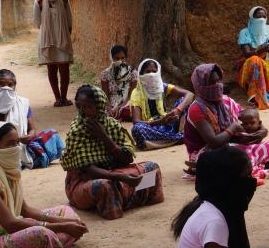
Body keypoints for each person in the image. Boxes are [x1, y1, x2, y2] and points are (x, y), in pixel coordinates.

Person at [0, 122, 87, 248]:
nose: (15, 149)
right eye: (9, 144)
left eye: (17, 143)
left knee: (66, 212)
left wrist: (66, 221)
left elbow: (25, 210)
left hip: (11, 228)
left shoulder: (6, 170)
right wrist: (62, 227)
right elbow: (10, 224)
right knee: (41, 233)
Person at [61, 85, 164, 220]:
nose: (82, 111)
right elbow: (89, 170)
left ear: (99, 106)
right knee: (105, 186)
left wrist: (104, 137)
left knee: (152, 169)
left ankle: (124, 196)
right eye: (79, 106)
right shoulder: (76, 131)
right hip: (83, 181)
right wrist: (121, 178)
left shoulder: (112, 125)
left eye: (87, 107)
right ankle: (126, 197)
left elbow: (126, 159)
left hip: (114, 170)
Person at [184, 64, 269, 180]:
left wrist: (262, 130)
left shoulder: (225, 100)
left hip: (231, 145)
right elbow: (214, 142)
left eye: (219, 81)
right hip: (206, 151)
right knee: (239, 154)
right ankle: (254, 164)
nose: (217, 85)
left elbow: (248, 116)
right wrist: (233, 128)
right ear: (201, 85)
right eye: (212, 83)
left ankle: (250, 164)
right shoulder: (197, 109)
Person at [0, 69, 65, 169]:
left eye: (10, 85)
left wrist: (29, 136)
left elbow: (32, 129)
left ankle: (21, 159)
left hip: (21, 146)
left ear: (15, 86)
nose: (6, 88)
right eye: (1, 84)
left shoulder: (22, 103)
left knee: (51, 133)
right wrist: (10, 140)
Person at [129, 58, 193, 150]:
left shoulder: (162, 86)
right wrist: (159, 122)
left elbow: (189, 94)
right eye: (147, 71)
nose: (151, 74)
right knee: (137, 129)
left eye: (154, 71)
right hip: (151, 127)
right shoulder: (136, 93)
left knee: (184, 101)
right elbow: (136, 121)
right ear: (141, 74)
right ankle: (178, 138)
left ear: (158, 72)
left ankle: (164, 141)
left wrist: (177, 110)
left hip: (168, 124)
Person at [34, 0, 74, 107]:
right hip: (47, 40)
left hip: (63, 40)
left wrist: (65, 37)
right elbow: (38, 23)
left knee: (64, 69)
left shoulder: (64, 1)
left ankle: (64, 97)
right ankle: (57, 98)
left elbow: (69, 22)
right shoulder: (38, 2)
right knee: (51, 69)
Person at [99, 45, 136, 121]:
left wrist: (119, 107)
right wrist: (109, 108)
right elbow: (105, 96)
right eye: (117, 58)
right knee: (102, 113)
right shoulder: (105, 74)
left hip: (126, 103)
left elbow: (131, 96)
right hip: (111, 104)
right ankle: (116, 116)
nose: (120, 61)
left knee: (129, 111)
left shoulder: (133, 73)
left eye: (122, 58)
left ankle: (119, 115)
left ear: (126, 58)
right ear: (112, 59)